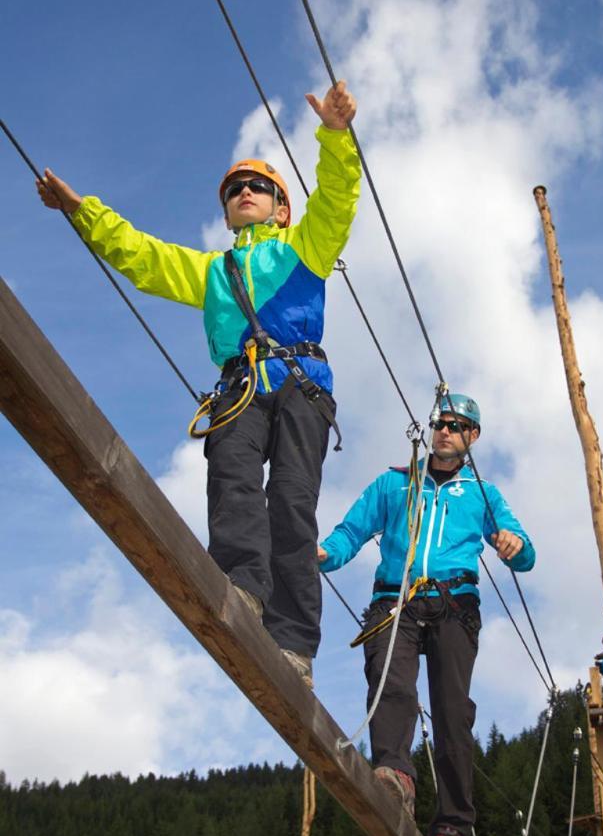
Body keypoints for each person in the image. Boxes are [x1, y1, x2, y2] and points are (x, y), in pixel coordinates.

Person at [36, 82, 361, 688]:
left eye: (256, 186)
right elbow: (146, 258)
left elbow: (337, 201)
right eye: (234, 189)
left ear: (280, 207)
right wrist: (85, 214)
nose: (243, 193)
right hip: (239, 384)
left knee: (291, 503)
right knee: (231, 479)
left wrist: (336, 138)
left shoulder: (305, 246)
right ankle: (242, 589)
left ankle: (293, 644)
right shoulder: (212, 271)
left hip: (300, 382)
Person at [317, 394, 535, 836]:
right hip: (396, 599)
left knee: (453, 715)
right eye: (440, 423)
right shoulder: (395, 484)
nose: (445, 432)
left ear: (472, 437)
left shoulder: (482, 494)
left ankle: (452, 831)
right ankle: (396, 774)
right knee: (390, 680)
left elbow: (525, 553)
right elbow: (351, 531)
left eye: (457, 426)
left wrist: (513, 545)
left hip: (454, 604)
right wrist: (325, 553)